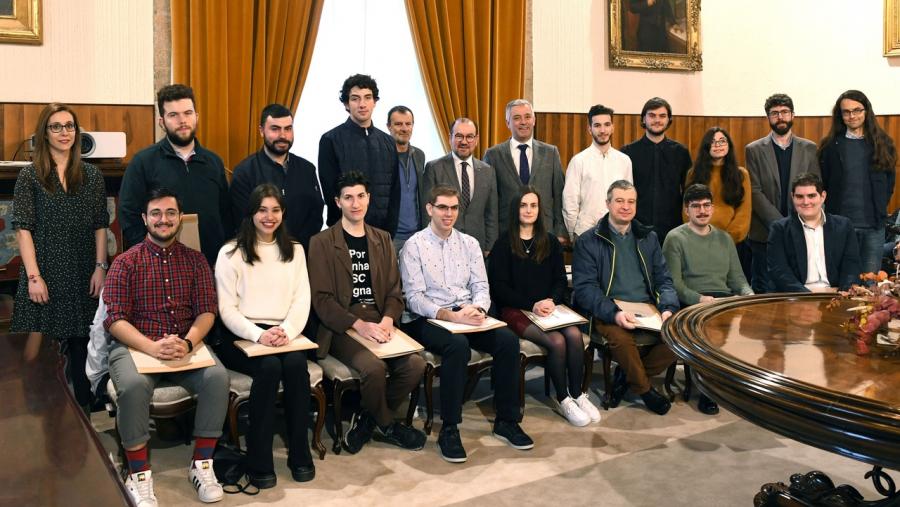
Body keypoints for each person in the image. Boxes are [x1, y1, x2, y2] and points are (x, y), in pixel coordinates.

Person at [104, 188, 228, 506]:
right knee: (131, 387)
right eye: (156, 214)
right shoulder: (124, 262)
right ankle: (138, 475)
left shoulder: (196, 261)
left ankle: (202, 464)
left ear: (180, 218)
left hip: (184, 345)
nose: (164, 220)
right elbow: (115, 320)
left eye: (170, 213)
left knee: (218, 378)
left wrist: (187, 342)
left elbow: (206, 311)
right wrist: (152, 347)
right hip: (136, 346)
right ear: (144, 219)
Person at [400, 185, 533, 463]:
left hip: (467, 314)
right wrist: (450, 316)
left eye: (454, 208)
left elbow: (481, 286)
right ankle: (450, 428)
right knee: (457, 346)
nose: (449, 214)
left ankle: (506, 421)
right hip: (429, 318)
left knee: (508, 341)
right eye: (442, 208)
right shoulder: (414, 245)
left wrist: (478, 309)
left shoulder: (469, 243)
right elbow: (414, 299)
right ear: (429, 209)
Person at [308, 171, 427, 455]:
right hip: (342, 326)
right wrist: (359, 326)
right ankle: (387, 425)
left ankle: (365, 419)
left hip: (380, 320)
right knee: (373, 368)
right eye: (348, 197)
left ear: (369, 199)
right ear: (337, 202)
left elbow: (394, 293)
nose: (355, 203)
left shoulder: (382, 239)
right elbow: (322, 301)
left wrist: (387, 320)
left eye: (361, 196)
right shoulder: (321, 243)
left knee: (416, 365)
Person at [214, 183, 315, 488]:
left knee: (297, 366)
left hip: (286, 331)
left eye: (275, 210)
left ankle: (301, 455)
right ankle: (260, 461)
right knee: (269, 368)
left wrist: (284, 331)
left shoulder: (295, 251)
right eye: (262, 210)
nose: (269, 217)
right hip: (242, 335)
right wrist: (259, 336)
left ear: (283, 213)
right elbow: (227, 309)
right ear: (251, 213)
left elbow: (302, 300)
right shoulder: (230, 252)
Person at [11, 103, 109, 412]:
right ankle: (42, 411)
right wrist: (33, 277)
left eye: (69, 126)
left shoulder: (91, 175)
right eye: (56, 126)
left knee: (83, 346)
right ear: (44, 133)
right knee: (36, 350)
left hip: (83, 270)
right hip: (44, 273)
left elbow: (100, 225)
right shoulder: (30, 177)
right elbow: (23, 229)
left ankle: (83, 410)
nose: (64, 132)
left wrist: (100, 267)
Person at [488, 187, 600, 426]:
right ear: (515, 209)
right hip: (516, 310)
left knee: (574, 335)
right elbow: (499, 288)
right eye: (523, 205)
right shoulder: (503, 243)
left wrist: (550, 299)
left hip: (548, 308)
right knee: (557, 341)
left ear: (539, 210)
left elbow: (560, 279)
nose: (529, 210)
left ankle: (578, 394)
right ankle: (563, 399)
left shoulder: (549, 241)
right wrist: (532, 304)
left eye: (533, 205)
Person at [572, 180, 678, 415]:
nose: (626, 207)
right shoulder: (589, 240)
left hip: (648, 309)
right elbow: (585, 289)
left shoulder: (648, 237)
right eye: (619, 201)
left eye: (631, 201)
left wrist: (668, 308)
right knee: (621, 339)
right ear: (608, 203)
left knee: (678, 337)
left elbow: (664, 280)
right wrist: (615, 313)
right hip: (609, 309)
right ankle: (645, 391)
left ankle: (627, 378)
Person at [118, 84, 231, 267]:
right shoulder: (143, 162)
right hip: (160, 266)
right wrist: (147, 256)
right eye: (173, 115)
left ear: (196, 117)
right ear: (161, 122)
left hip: (211, 265)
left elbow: (226, 214)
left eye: (188, 113)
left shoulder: (214, 162)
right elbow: (129, 214)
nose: (182, 120)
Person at [662, 184, 752, 415]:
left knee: (754, 327)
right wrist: (700, 298)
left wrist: (749, 297)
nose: (702, 211)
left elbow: (737, 279)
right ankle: (707, 391)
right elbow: (674, 283)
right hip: (693, 302)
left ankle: (738, 388)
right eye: (695, 206)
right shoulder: (675, 238)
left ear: (712, 208)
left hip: (723, 300)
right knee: (712, 332)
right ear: (686, 210)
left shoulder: (724, 239)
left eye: (706, 205)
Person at [745, 93, 819, 294]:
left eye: (785, 112)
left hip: (801, 229)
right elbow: (755, 190)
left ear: (793, 115)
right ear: (768, 117)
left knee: (796, 290)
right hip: (764, 232)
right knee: (765, 292)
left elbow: (813, 189)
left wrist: (796, 224)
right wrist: (780, 225)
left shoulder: (809, 148)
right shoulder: (754, 150)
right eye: (775, 113)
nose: (780, 117)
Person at [819, 90, 897, 275]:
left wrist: (878, 207)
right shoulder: (830, 146)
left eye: (857, 110)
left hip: (873, 227)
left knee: (869, 286)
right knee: (842, 285)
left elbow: (889, 184)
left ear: (866, 111)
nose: (852, 115)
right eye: (846, 111)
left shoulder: (883, 143)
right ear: (840, 114)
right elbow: (824, 183)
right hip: (840, 227)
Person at [229, 103, 324, 253]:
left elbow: (316, 214)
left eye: (288, 128)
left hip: (302, 255)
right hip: (260, 256)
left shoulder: (307, 169)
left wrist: (297, 248)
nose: (283, 135)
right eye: (275, 129)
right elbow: (242, 221)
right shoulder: (245, 172)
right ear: (261, 131)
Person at [318, 74, 399, 233]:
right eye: (355, 98)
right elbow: (330, 191)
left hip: (382, 234)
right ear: (346, 104)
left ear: (374, 102)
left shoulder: (388, 142)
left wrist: (389, 232)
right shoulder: (330, 140)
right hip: (343, 232)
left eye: (367, 98)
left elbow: (395, 192)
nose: (362, 104)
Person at [483, 99, 567, 243]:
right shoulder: (493, 155)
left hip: (544, 232)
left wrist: (560, 231)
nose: (523, 122)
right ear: (507, 123)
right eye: (516, 118)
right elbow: (490, 200)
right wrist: (491, 239)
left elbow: (559, 194)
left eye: (527, 117)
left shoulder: (551, 152)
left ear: (534, 120)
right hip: (507, 233)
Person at [768, 173, 861, 292]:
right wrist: (807, 295)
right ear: (792, 197)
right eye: (800, 196)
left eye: (811, 196)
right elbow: (779, 272)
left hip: (835, 294)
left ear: (823, 196)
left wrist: (843, 293)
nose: (806, 202)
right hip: (798, 297)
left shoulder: (844, 226)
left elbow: (851, 265)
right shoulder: (779, 229)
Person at [622, 97, 692, 245]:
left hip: (674, 229)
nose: (657, 120)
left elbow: (688, 191)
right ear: (643, 119)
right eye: (652, 115)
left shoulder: (681, 152)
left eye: (662, 116)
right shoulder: (628, 153)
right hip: (636, 227)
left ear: (669, 120)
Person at [422, 118, 498, 254]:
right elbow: (427, 211)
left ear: (476, 139)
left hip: (478, 248)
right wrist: (429, 245)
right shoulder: (434, 168)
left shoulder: (488, 171)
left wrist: (489, 246)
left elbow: (491, 213)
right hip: (442, 246)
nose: (464, 141)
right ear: (450, 137)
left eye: (469, 137)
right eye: (459, 136)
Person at [562, 104, 633, 239]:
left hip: (617, 233)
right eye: (597, 125)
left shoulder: (624, 161)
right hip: (585, 232)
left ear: (612, 127)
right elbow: (570, 201)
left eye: (607, 125)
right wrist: (574, 234)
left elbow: (628, 199)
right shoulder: (579, 161)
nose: (602, 130)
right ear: (590, 129)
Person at [684, 127, 752, 244]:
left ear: (728, 145)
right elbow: (687, 209)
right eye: (712, 142)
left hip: (731, 242)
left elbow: (744, 213)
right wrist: (698, 234)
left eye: (722, 141)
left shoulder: (741, 174)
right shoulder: (693, 173)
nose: (718, 145)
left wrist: (728, 239)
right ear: (706, 146)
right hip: (698, 240)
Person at [386, 105, 428, 252]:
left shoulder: (419, 155)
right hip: (391, 236)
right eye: (398, 124)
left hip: (417, 235)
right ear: (389, 127)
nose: (404, 128)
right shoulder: (381, 156)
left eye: (408, 124)